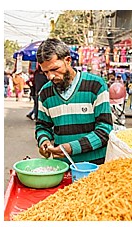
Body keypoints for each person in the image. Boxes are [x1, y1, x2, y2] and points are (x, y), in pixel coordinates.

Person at [35, 38, 112, 166]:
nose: (50, 77)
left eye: (54, 69)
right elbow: (42, 127)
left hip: (96, 166)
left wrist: (72, 148)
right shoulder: (45, 93)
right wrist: (44, 141)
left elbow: (105, 130)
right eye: (46, 72)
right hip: (62, 166)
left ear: (68, 60)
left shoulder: (96, 85)